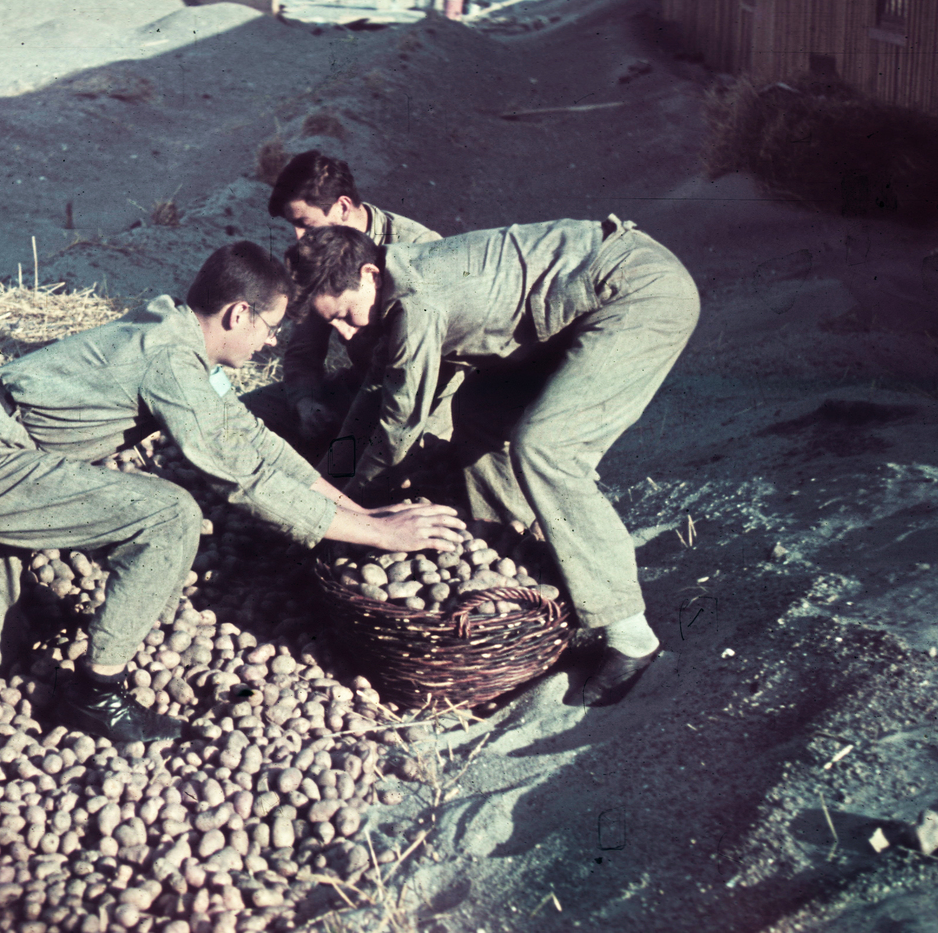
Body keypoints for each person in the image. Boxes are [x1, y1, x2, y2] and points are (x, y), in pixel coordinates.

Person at [0, 242, 466, 747]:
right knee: (170, 513)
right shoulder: (172, 360)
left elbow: (250, 441)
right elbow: (240, 478)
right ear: (237, 314)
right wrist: (378, 539)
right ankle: (98, 688)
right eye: (271, 329)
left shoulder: (178, 336)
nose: (272, 347)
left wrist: (360, 512)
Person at [284, 216, 700, 707]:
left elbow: (398, 428)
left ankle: (631, 635)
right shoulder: (391, 293)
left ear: (371, 276)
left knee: (547, 447)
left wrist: (350, 507)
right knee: (478, 411)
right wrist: (328, 481)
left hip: (637, 291)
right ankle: (516, 553)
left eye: (346, 315)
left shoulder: (417, 305)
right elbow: (376, 393)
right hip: (575, 306)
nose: (343, 332)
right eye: (329, 321)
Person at [244, 150, 442, 459]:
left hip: (420, 400)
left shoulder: (421, 249)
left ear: (343, 206)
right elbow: (303, 351)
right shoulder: (312, 255)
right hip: (360, 387)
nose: (298, 237)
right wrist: (306, 402)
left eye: (304, 223)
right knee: (246, 415)